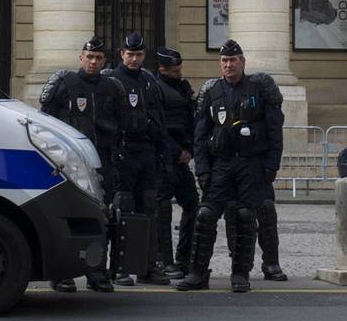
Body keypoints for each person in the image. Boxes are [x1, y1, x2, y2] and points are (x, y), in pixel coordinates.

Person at [175, 39, 284, 293]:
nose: (228, 65)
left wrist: (271, 164)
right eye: (224, 61)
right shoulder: (212, 92)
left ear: (242, 62)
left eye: (233, 60)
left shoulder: (258, 90)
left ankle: (240, 274)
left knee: (246, 216)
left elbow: (273, 130)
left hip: (251, 164)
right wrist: (202, 169)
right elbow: (200, 136)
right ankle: (197, 273)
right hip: (221, 164)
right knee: (205, 215)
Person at [39, 35, 129, 293]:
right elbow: (44, 122)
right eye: (89, 57)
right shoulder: (65, 83)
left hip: (101, 162)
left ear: (104, 61)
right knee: (65, 216)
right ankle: (62, 273)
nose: (93, 61)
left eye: (98, 58)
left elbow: (121, 123)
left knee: (101, 217)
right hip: (69, 164)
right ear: (81, 58)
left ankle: (96, 271)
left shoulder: (111, 88)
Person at [108, 32, 177, 285]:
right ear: (121, 54)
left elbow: (159, 122)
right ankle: (119, 268)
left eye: (138, 55)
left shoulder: (149, 82)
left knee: (150, 210)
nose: (134, 59)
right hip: (123, 154)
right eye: (130, 54)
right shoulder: (112, 81)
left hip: (146, 153)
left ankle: (147, 267)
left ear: (144, 55)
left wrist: (165, 158)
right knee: (122, 210)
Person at [153, 47, 199, 280]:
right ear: (163, 69)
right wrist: (176, 151)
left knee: (192, 204)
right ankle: (164, 260)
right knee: (162, 209)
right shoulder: (154, 89)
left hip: (182, 158)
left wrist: (189, 149)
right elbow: (157, 126)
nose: (179, 72)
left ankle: (184, 258)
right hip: (164, 159)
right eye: (175, 70)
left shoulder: (182, 87)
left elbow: (192, 121)